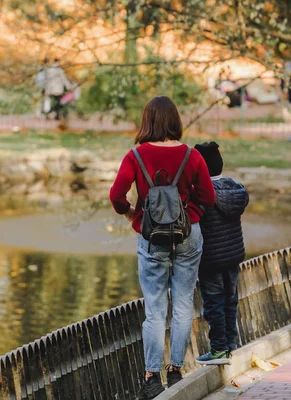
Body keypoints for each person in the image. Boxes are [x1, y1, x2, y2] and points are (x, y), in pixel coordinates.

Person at [109, 96, 215, 399]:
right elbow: (207, 197)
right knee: (182, 303)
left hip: (151, 237)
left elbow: (116, 195)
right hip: (187, 235)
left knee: (154, 309)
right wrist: (189, 215)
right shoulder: (192, 156)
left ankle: (151, 377)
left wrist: (133, 214)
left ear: (147, 121)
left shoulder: (135, 156)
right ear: (175, 121)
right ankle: (176, 369)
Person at [193, 142, 249, 365]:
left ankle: (218, 349)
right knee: (230, 299)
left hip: (212, 259)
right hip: (233, 255)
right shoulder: (234, 188)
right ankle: (230, 344)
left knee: (214, 303)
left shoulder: (203, 194)